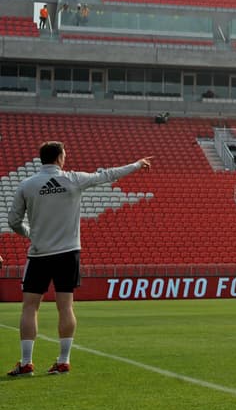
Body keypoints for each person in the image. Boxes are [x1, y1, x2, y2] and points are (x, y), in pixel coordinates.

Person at [6, 142, 152, 377]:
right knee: (65, 307)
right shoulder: (72, 179)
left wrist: (28, 233)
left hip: (39, 254)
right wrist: (136, 164)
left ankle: (26, 363)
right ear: (59, 158)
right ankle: (63, 361)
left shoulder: (27, 185)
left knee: (30, 308)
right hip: (68, 253)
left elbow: (13, 221)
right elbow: (106, 175)